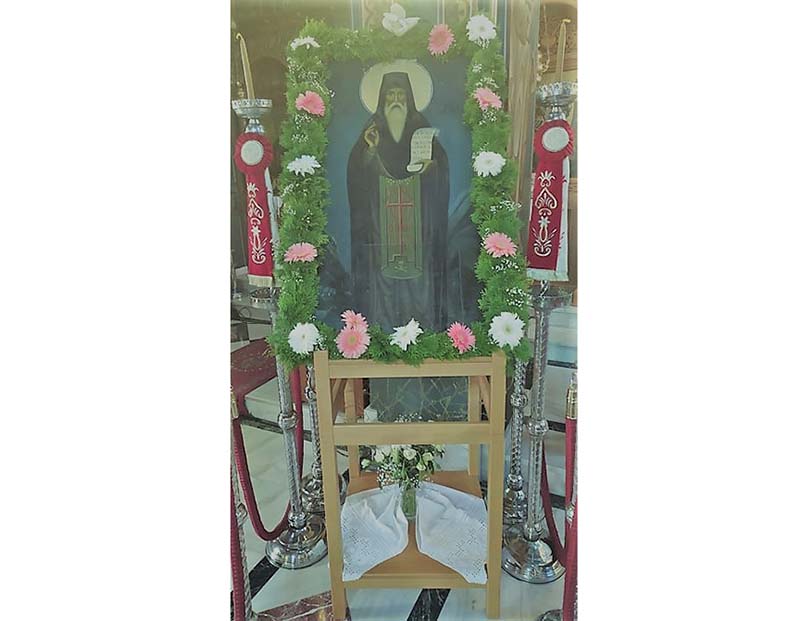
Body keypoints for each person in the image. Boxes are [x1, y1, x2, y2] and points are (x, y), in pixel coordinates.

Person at [346, 71, 450, 332]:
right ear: (382, 99)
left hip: (418, 225)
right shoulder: (371, 131)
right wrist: (370, 151)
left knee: (417, 278)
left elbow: (440, 167)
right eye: (390, 95)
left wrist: (431, 168)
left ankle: (421, 332)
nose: (395, 100)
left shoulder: (422, 129)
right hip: (381, 224)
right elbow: (357, 173)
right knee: (383, 278)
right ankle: (383, 331)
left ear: (409, 98)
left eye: (400, 95)